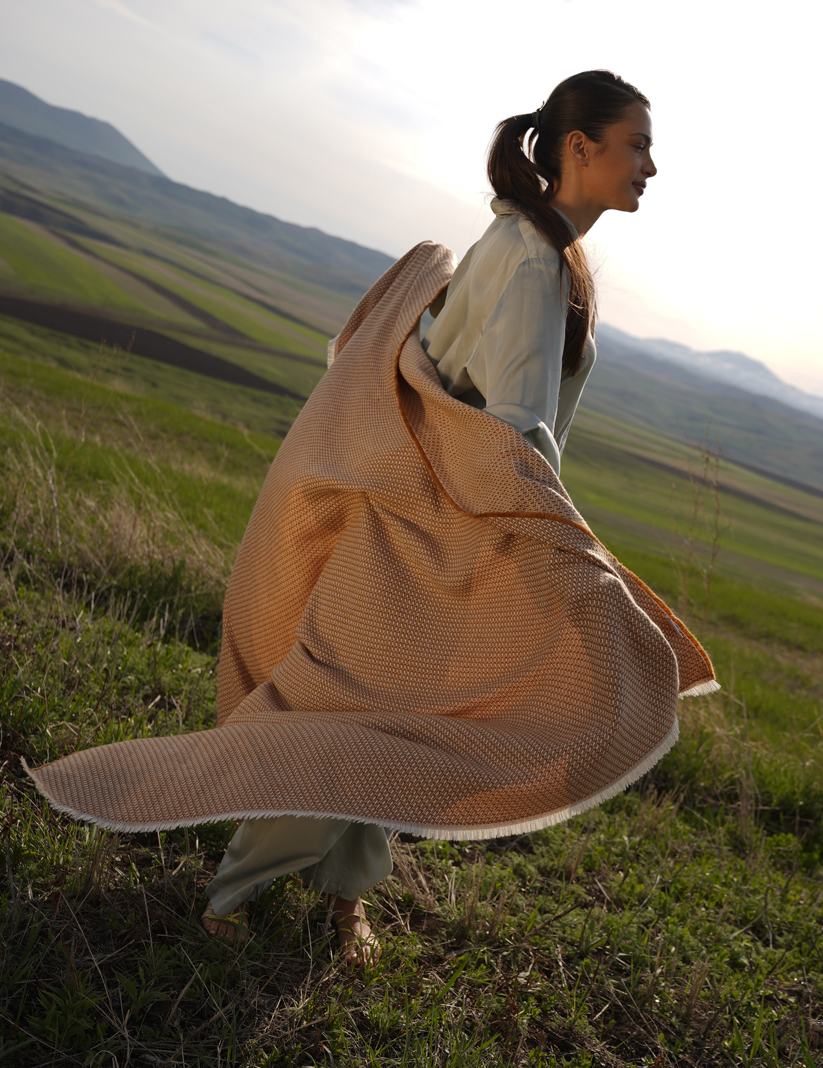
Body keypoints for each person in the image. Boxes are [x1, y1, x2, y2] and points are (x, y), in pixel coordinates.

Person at [198, 70, 658, 964]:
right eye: (637, 144)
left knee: (405, 718)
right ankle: (233, 896)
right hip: (438, 531)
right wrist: (566, 548)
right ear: (581, 147)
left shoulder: (536, 243)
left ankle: (344, 895)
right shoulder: (533, 259)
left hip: (448, 522)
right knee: (360, 712)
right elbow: (516, 426)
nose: (651, 164)